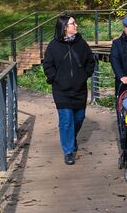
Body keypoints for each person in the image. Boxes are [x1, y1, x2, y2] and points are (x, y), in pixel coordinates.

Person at [42, 15, 95, 165]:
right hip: (61, 91)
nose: (76, 25)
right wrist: (56, 78)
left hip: (80, 89)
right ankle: (68, 151)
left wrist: (84, 75)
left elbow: (90, 61)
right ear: (65, 27)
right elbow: (47, 65)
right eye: (73, 23)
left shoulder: (81, 43)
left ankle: (71, 138)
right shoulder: (53, 46)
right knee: (66, 121)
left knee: (79, 118)